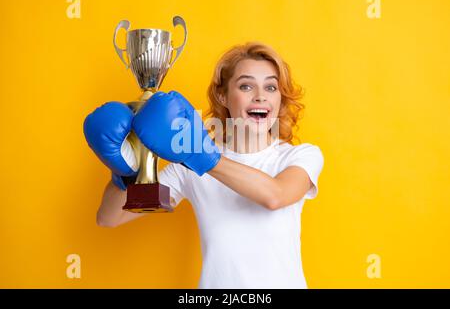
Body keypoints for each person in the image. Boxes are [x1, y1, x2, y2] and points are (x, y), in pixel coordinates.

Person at [83, 42, 324, 289]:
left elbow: (275, 195)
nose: (261, 96)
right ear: (223, 96)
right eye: (246, 86)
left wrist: (201, 155)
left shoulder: (300, 156)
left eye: (271, 87)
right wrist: (124, 171)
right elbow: (110, 217)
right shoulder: (189, 168)